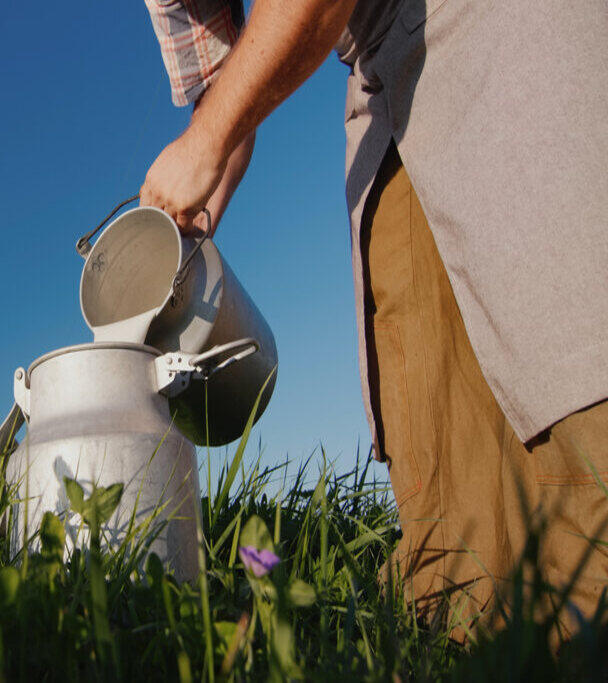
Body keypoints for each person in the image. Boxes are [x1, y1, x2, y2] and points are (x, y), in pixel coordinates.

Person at [140, 0, 608, 634]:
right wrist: (189, 223)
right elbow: (220, 81)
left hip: (503, 21)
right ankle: (477, 634)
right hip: (379, 67)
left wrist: (203, 145)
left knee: (556, 318)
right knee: (430, 410)